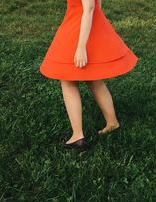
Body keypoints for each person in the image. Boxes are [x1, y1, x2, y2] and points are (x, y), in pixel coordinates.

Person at [39, 0, 138, 151]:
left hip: (80, 28)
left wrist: (81, 46)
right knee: (93, 80)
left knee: (68, 80)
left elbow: (90, 7)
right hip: (84, 24)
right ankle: (112, 123)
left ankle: (78, 136)